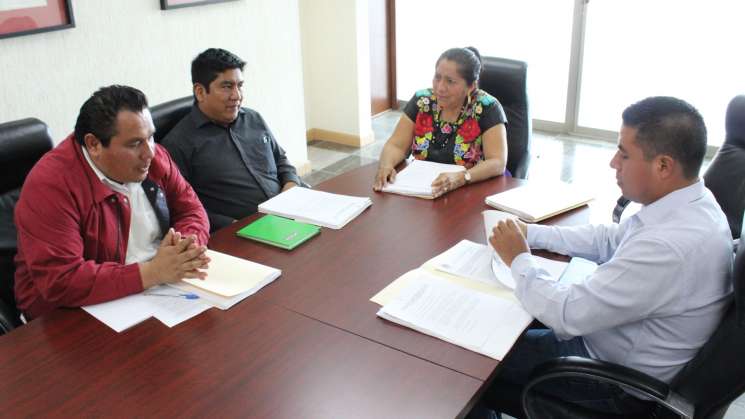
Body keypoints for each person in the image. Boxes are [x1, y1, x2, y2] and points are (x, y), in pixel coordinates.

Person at [482, 96, 733, 417]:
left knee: (473, 354)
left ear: (663, 166)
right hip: (613, 342)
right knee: (501, 320)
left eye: (624, 154)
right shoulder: (694, 202)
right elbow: (610, 239)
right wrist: (531, 233)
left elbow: (566, 313)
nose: (613, 162)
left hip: (609, 382)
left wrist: (518, 258)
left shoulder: (668, 248)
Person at [14, 85, 210, 320]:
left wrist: (186, 247)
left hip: (157, 288)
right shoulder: (51, 185)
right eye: (135, 143)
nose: (149, 152)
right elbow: (61, 280)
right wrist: (152, 273)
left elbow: (191, 209)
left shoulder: (154, 159)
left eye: (150, 136)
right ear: (94, 144)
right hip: (68, 315)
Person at [162, 48, 301, 232]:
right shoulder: (178, 144)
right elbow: (180, 208)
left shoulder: (253, 118)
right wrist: (232, 226)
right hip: (243, 231)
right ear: (200, 92)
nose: (237, 95)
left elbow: (280, 159)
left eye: (240, 85)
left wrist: (291, 186)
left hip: (291, 210)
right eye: (227, 86)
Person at [372, 47, 508, 197]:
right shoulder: (422, 100)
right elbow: (396, 145)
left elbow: (497, 162)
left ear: (471, 86)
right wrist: (386, 165)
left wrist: (464, 177)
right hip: (422, 190)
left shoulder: (487, 107)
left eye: (450, 81)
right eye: (437, 77)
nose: (440, 87)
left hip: (468, 191)